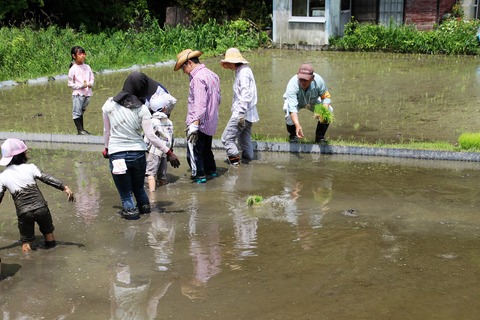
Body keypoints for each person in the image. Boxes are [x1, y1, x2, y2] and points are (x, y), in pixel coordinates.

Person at [102, 71, 180, 220]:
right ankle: (145, 212)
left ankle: (132, 218)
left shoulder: (108, 106)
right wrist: (169, 152)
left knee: (126, 194)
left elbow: (107, 131)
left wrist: (106, 148)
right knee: (139, 189)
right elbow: (150, 136)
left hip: (117, 154)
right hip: (138, 154)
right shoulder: (142, 109)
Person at [0, 138, 75, 253]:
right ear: (22, 154)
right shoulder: (30, 168)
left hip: (24, 212)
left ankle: (28, 261)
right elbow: (47, 178)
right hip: (41, 208)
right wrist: (65, 187)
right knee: (49, 235)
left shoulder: (3, 176)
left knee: (26, 242)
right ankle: (52, 258)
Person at [174, 49, 221, 183]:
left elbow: (200, 104)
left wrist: (194, 124)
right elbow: (218, 99)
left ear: (189, 63)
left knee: (194, 154)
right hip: (211, 121)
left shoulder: (198, 78)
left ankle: (199, 177)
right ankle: (211, 172)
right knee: (206, 150)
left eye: (183, 68)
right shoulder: (212, 74)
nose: (183, 72)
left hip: (199, 124)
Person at [220, 48, 259, 166]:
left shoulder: (243, 73)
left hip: (242, 113)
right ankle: (248, 163)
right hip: (249, 114)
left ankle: (236, 166)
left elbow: (246, 94)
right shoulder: (243, 70)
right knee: (244, 140)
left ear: (233, 62)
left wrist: (240, 113)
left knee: (226, 139)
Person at [283, 63, 333, 143]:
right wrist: (297, 125)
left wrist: (323, 112)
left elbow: (326, 97)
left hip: (312, 101)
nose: (303, 82)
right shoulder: (292, 85)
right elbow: (292, 108)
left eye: (306, 80)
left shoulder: (319, 81)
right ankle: (293, 136)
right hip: (296, 102)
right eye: (301, 79)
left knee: (329, 110)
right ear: (297, 76)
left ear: (312, 78)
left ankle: (320, 138)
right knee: (288, 111)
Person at [144, 87, 177, 192]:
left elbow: (148, 137)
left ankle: (152, 194)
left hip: (154, 151)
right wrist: (170, 151)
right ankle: (163, 188)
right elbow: (172, 137)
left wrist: (144, 147)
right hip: (165, 151)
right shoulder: (169, 122)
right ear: (164, 108)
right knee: (162, 175)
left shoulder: (151, 121)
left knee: (150, 174)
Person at [68, 46, 94, 135]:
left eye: (83, 54)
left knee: (81, 111)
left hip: (87, 93)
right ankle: (80, 130)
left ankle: (82, 129)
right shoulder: (73, 69)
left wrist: (90, 83)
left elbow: (92, 78)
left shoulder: (87, 67)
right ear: (74, 56)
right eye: (80, 54)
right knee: (77, 112)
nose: (82, 56)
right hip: (78, 93)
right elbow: (70, 83)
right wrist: (81, 86)